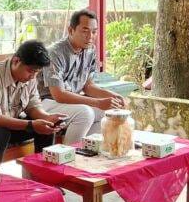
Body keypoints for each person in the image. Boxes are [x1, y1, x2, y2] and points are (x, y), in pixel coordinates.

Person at [0, 40, 66, 164]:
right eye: (30, 71)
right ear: (16, 61)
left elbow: (32, 106)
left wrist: (47, 118)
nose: (32, 76)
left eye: (37, 72)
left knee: (46, 127)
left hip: (8, 124)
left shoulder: (29, 78)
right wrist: (31, 125)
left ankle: (42, 169)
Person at [37, 9, 128, 145]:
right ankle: (69, 153)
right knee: (85, 113)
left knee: (109, 112)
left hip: (70, 103)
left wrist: (114, 96)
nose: (90, 36)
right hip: (45, 103)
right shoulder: (55, 53)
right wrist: (98, 102)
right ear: (71, 30)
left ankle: (89, 150)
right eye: (85, 31)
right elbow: (59, 95)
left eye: (94, 31)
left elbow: (88, 86)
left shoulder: (90, 50)